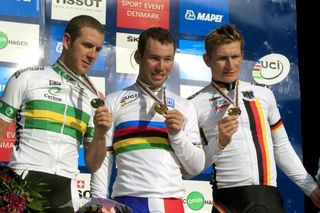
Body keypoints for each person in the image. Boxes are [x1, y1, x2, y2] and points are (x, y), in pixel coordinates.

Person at [188, 23, 320, 212]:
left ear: (242, 56)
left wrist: (311, 188)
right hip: (227, 201)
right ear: (207, 60)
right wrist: (219, 141)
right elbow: (194, 164)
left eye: (235, 57)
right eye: (222, 58)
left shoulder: (263, 94)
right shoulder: (194, 104)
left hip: (268, 196)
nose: (230, 65)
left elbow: (281, 146)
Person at [0, 15, 112, 212]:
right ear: (67, 41)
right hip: (24, 181)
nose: (92, 55)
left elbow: (93, 164)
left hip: (66, 190)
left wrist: (102, 134)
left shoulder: (93, 97)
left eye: (98, 49)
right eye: (87, 45)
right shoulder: (26, 78)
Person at [90, 27, 205, 212]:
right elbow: (104, 160)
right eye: (154, 58)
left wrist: (176, 135)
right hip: (127, 201)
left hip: (170, 202)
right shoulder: (113, 101)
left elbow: (196, 167)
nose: (161, 67)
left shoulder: (184, 106)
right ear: (138, 57)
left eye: (167, 59)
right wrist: (98, 203)